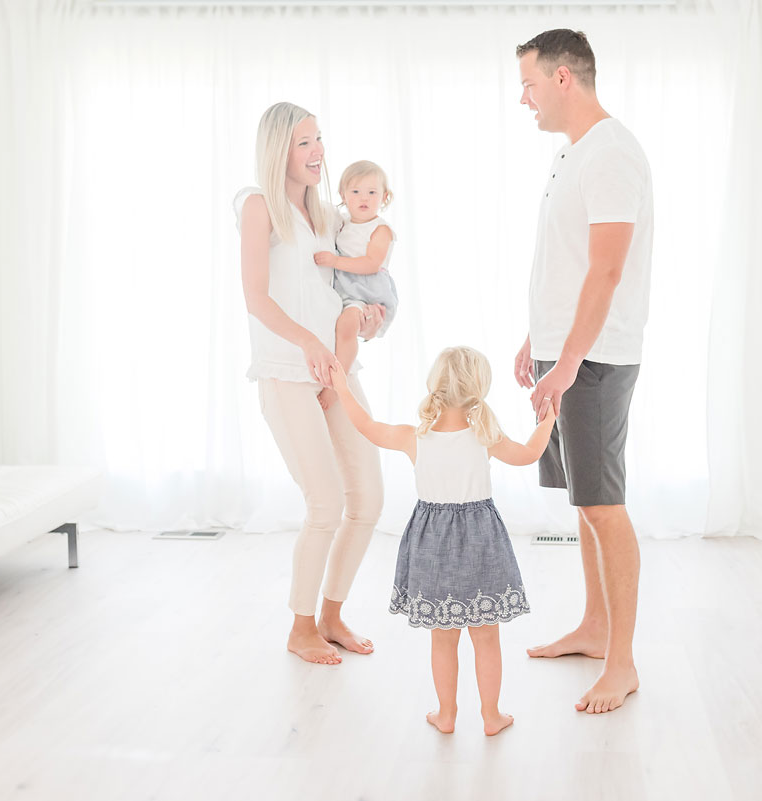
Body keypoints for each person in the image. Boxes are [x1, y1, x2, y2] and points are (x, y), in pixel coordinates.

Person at [513, 29, 654, 714]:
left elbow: (606, 269)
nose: (525, 99)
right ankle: (595, 628)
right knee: (583, 504)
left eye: (530, 85)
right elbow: (569, 263)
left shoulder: (612, 155)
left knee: (604, 504)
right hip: (566, 352)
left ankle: (621, 661)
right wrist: (535, 339)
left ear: (563, 78)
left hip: (594, 360)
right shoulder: (573, 155)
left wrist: (566, 363)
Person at [329, 347, 555, 735]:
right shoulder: (487, 436)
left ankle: (446, 715)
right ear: (477, 389)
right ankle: (491, 716)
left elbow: (365, 425)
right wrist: (547, 418)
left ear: (435, 386)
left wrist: (340, 387)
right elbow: (531, 453)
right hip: (482, 541)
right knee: (486, 637)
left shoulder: (413, 437)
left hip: (431, 544)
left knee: (443, 639)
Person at [235, 101, 387, 666]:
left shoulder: (328, 214)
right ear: (280, 149)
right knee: (324, 503)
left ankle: (331, 615)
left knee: (367, 500)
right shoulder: (258, 206)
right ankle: (301, 628)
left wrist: (363, 320)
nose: (318, 150)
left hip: (334, 368)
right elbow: (256, 296)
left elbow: (341, 289)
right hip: (286, 371)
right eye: (304, 142)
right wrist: (309, 343)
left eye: (319, 138)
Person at [314, 160, 399, 410]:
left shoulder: (380, 229)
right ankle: (336, 375)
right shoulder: (343, 222)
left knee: (347, 326)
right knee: (339, 326)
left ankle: (337, 386)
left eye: (372, 192)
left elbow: (372, 263)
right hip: (346, 287)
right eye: (355, 192)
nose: (364, 198)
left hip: (367, 290)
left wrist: (335, 261)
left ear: (384, 197)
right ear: (343, 196)